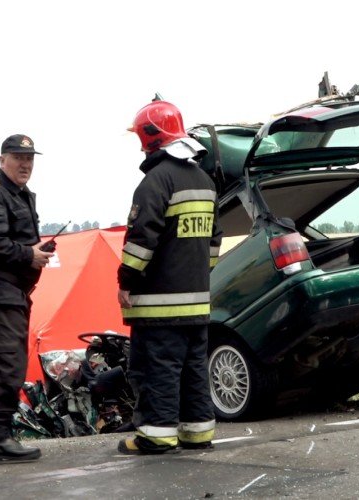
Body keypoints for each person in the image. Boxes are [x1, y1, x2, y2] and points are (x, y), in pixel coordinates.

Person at [116, 99, 223, 455]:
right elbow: (214, 241)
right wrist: (196, 275)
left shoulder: (155, 182)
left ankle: (156, 436)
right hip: (197, 303)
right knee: (194, 368)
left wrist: (126, 282)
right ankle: (197, 433)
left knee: (157, 369)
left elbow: (140, 243)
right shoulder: (205, 180)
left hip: (158, 306)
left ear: (149, 137)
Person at [0, 134, 53, 464]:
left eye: (29, 158)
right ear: (2, 160)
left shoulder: (21, 194)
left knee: (10, 364)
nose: (25, 164)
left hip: (13, 292)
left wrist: (36, 252)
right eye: (18, 157)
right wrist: (28, 255)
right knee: (7, 364)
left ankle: (0, 438)